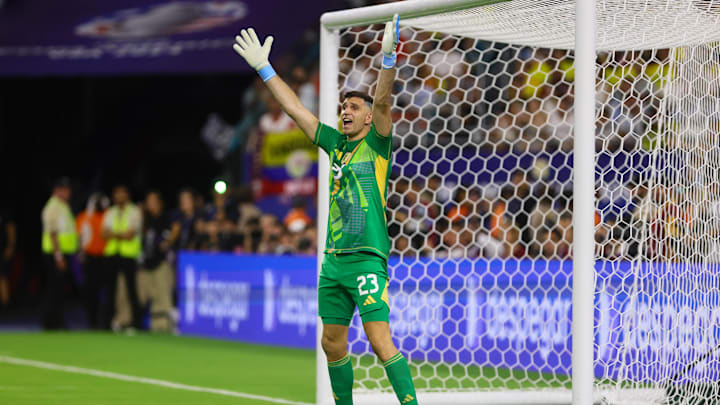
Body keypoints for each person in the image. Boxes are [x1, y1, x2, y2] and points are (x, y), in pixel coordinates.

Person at [233, 14, 418, 405]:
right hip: (334, 261)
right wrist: (265, 69)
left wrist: (387, 60)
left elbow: (383, 99)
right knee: (331, 343)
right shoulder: (335, 143)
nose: (345, 111)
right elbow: (296, 110)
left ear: (369, 117)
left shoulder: (378, 143)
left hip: (366, 257)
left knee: (379, 339)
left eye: (353, 107)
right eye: (342, 106)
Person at [102, 185, 143, 331]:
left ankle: (137, 323)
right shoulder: (110, 212)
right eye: (116, 194)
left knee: (132, 290)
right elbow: (103, 234)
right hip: (112, 254)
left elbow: (131, 234)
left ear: (127, 195)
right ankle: (106, 323)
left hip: (128, 255)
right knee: (110, 290)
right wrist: (121, 234)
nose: (119, 196)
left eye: (122, 193)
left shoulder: (135, 211)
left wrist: (114, 234)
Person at [40, 177, 78, 329]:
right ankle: (50, 323)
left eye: (68, 189)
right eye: (65, 189)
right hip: (54, 254)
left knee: (60, 289)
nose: (68, 192)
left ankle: (55, 321)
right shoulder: (53, 207)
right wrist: (58, 256)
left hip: (63, 254)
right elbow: (53, 233)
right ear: (57, 190)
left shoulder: (63, 206)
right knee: (54, 289)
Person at [138, 191, 175, 332]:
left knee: (162, 296)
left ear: (160, 203)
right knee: (146, 296)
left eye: (153, 201)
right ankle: (153, 326)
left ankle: (164, 327)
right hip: (146, 264)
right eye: (148, 201)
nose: (150, 204)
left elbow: (175, 230)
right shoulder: (146, 220)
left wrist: (167, 243)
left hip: (161, 263)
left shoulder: (166, 217)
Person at [75, 192, 109, 329]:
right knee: (90, 290)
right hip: (90, 258)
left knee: (107, 291)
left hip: (105, 257)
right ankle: (92, 321)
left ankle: (106, 321)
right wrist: (80, 253)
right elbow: (79, 236)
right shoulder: (85, 217)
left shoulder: (108, 217)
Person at [0, 205, 16, 308]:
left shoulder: (3, 211)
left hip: (1, 249)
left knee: (2, 276)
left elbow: (11, 228)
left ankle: (5, 304)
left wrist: (11, 245)